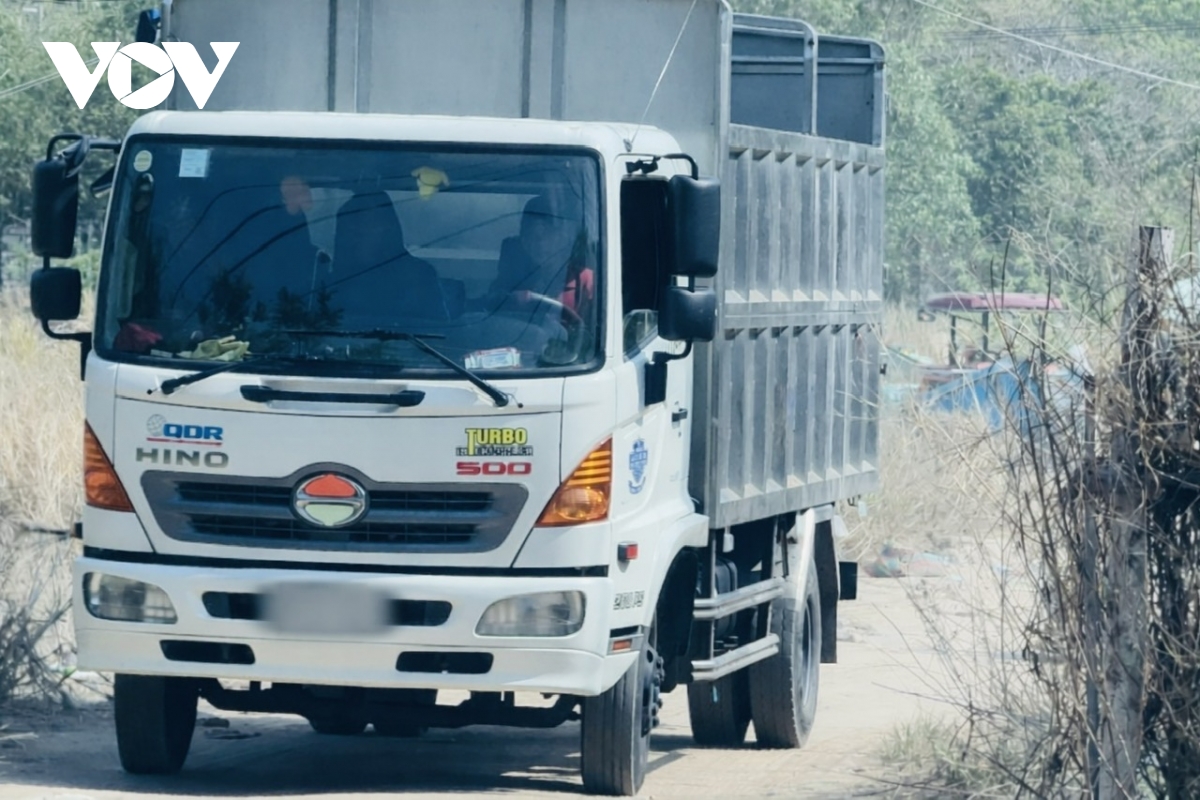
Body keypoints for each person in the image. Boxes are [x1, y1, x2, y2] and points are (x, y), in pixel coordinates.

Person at [329, 190, 449, 323]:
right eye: (348, 226)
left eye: (366, 223)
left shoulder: (420, 276)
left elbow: (437, 332)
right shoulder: (323, 283)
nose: (356, 233)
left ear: (387, 228)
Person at [487, 194, 595, 319]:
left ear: (564, 237)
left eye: (545, 232)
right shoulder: (512, 281)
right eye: (529, 233)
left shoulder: (587, 282)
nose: (538, 242)